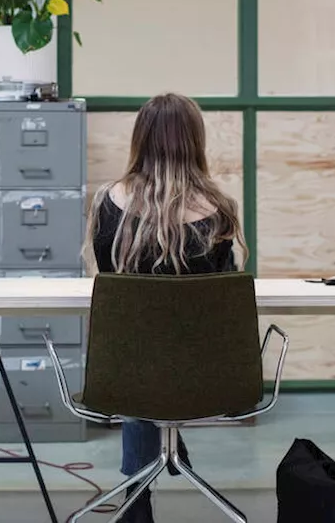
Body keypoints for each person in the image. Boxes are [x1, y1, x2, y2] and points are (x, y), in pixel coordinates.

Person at [83, 92, 246, 523]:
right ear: (196, 142)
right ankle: (167, 443)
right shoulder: (220, 210)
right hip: (206, 372)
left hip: (123, 372)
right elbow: (218, 296)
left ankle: (138, 495)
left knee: (141, 347)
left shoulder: (107, 201)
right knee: (159, 348)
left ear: (141, 140)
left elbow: (114, 286)